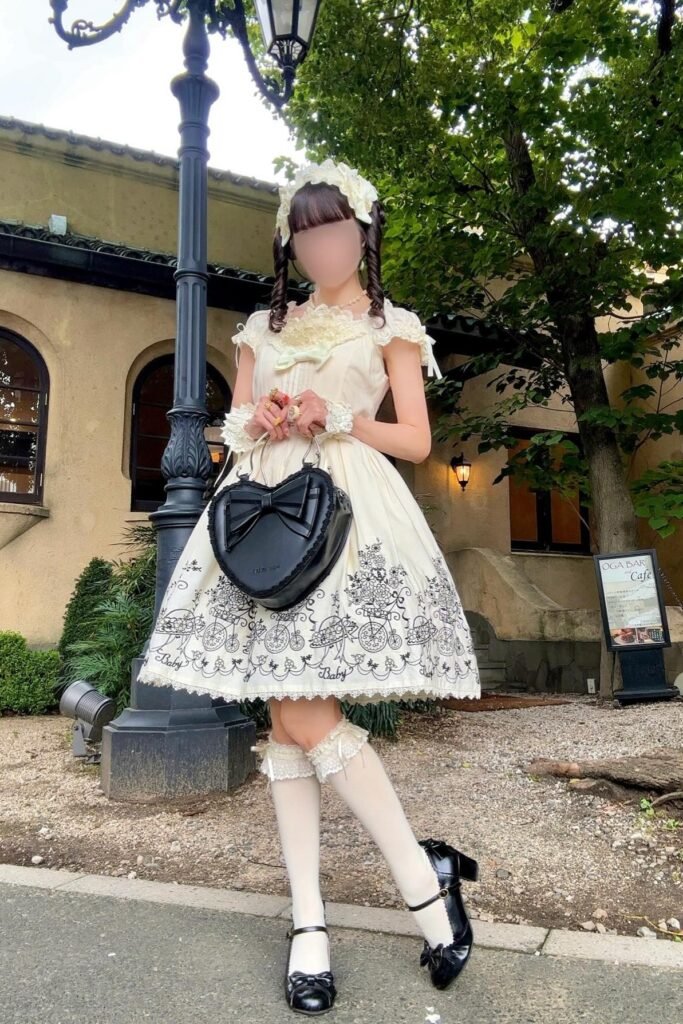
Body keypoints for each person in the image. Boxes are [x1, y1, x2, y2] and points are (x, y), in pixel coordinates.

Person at [137, 158, 482, 1014]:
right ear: (293, 242)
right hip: (259, 518)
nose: (321, 243)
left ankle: (346, 912)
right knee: (286, 717)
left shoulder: (392, 325)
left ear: (361, 235)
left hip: (345, 517)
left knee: (299, 714)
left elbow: (414, 441)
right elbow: (232, 425)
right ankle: (380, 899)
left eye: (334, 229)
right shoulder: (265, 323)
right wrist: (257, 420)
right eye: (306, 231)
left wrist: (337, 417)